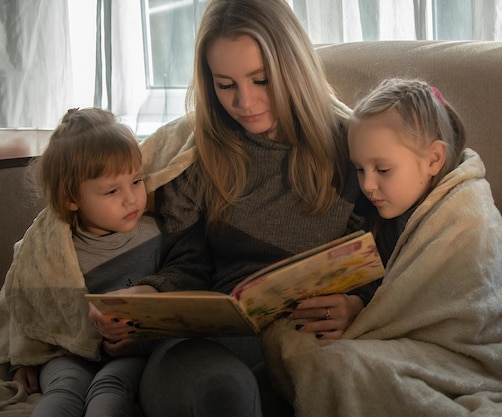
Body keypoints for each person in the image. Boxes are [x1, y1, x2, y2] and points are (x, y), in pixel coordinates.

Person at [87, 0, 378, 416]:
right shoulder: (201, 156)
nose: (245, 102)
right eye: (225, 85)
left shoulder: (354, 153)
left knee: (308, 378)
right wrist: (143, 302)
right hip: (201, 351)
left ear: (293, 69)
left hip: (305, 342)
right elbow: (186, 266)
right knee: (227, 392)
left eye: (261, 80)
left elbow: (385, 260)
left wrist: (357, 304)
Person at [262, 78, 502, 417]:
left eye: (383, 169)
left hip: (466, 356)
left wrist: (365, 316)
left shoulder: (468, 216)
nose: (368, 185)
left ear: (433, 159)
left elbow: (472, 313)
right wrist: (356, 303)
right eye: (359, 169)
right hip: (392, 346)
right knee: (286, 338)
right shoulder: (381, 212)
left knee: (339, 365)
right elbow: (388, 290)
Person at [0, 108, 161, 417]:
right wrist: (23, 358)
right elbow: (21, 302)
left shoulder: (156, 235)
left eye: (137, 181)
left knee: (111, 387)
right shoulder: (49, 250)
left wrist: (143, 342)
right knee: (65, 388)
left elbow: (174, 305)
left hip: (128, 354)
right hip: (67, 353)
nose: (132, 199)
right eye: (113, 190)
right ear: (71, 198)